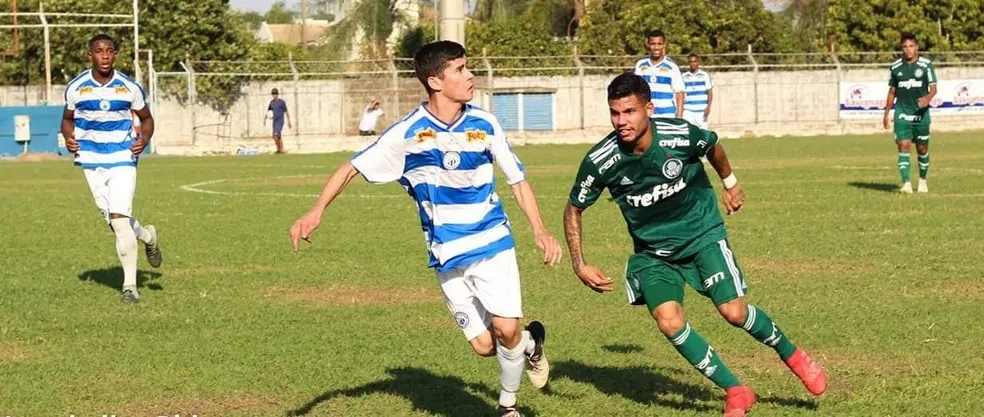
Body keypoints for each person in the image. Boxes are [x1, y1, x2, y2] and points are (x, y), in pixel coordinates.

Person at [289, 41, 563, 417]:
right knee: (485, 346)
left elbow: (516, 180)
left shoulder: (485, 123)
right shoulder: (408, 133)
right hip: (446, 254)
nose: (470, 76)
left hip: (492, 241)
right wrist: (316, 210)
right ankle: (533, 343)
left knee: (505, 330)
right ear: (435, 81)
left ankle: (507, 406)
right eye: (460, 70)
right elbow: (351, 166)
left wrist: (540, 230)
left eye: (468, 68)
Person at [563, 73, 826, 417]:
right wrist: (579, 263)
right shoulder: (602, 159)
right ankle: (736, 391)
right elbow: (574, 208)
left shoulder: (679, 134)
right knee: (669, 322)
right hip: (653, 254)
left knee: (734, 312)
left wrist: (730, 184)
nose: (621, 121)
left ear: (649, 108)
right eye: (615, 113)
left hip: (702, 237)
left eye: (629, 112)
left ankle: (791, 353)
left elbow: (713, 146)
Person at [62, 34, 162, 304]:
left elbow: (146, 119)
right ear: (90, 55)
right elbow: (67, 120)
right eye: (98, 51)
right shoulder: (76, 87)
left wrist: (144, 139)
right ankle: (147, 235)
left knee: (118, 218)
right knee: (116, 224)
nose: (104, 56)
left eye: (109, 51)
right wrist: (69, 138)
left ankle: (129, 287)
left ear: (115, 55)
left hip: (122, 156)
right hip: (91, 159)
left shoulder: (129, 87)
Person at [883, 32, 937, 194]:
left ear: (917, 47)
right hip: (902, 114)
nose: (908, 50)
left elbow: (933, 88)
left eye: (911, 46)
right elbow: (892, 92)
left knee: (922, 148)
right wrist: (886, 114)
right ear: (901, 48)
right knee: (903, 145)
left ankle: (922, 181)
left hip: (921, 115)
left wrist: (927, 98)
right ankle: (906, 183)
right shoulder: (895, 68)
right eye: (905, 47)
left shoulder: (926, 66)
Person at [633, 29, 685, 118]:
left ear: (664, 45)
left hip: (667, 115)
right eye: (653, 44)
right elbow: (637, 90)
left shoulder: (672, 67)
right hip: (647, 115)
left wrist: (679, 117)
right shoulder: (640, 65)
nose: (656, 47)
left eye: (659, 44)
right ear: (648, 45)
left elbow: (679, 93)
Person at [683, 52, 714, 129]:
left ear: (698, 62)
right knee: (688, 132)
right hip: (688, 110)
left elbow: (709, 92)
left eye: (695, 61)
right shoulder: (684, 76)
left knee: (702, 133)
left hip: (701, 110)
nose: (693, 64)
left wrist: (708, 107)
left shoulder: (704, 75)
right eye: (691, 62)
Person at [264, 88, 291, 154]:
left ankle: (280, 150)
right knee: (277, 136)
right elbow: (269, 112)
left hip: (280, 121)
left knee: (275, 135)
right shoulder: (271, 103)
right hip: (275, 121)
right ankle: (280, 149)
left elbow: (286, 111)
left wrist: (289, 121)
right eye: (273, 94)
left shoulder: (282, 102)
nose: (274, 95)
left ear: (277, 94)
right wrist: (265, 119)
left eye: (275, 94)